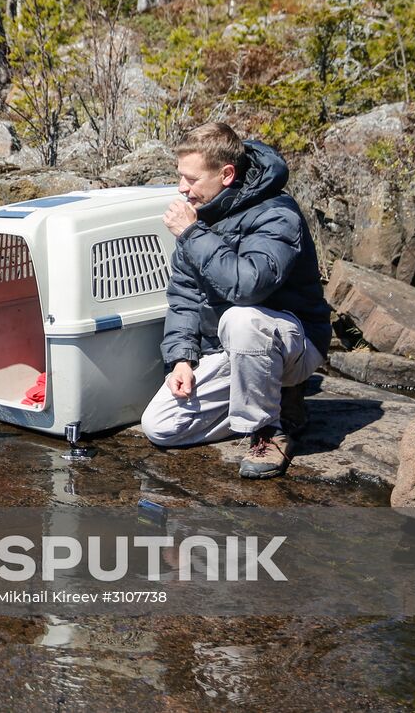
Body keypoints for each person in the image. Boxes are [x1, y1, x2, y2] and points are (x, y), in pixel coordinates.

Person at [139, 122, 332, 479]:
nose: (182, 188)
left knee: (242, 319)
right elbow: (183, 296)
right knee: (159, 426)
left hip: (293, 344)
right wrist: (181, 359)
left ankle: (269, 430)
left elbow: (248, 287)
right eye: (180, 176)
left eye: (191, 179)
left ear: (226, 174)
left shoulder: (277, 214)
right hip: (231, 350)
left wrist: (192, 234)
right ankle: (271, 403)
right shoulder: (202, 217)